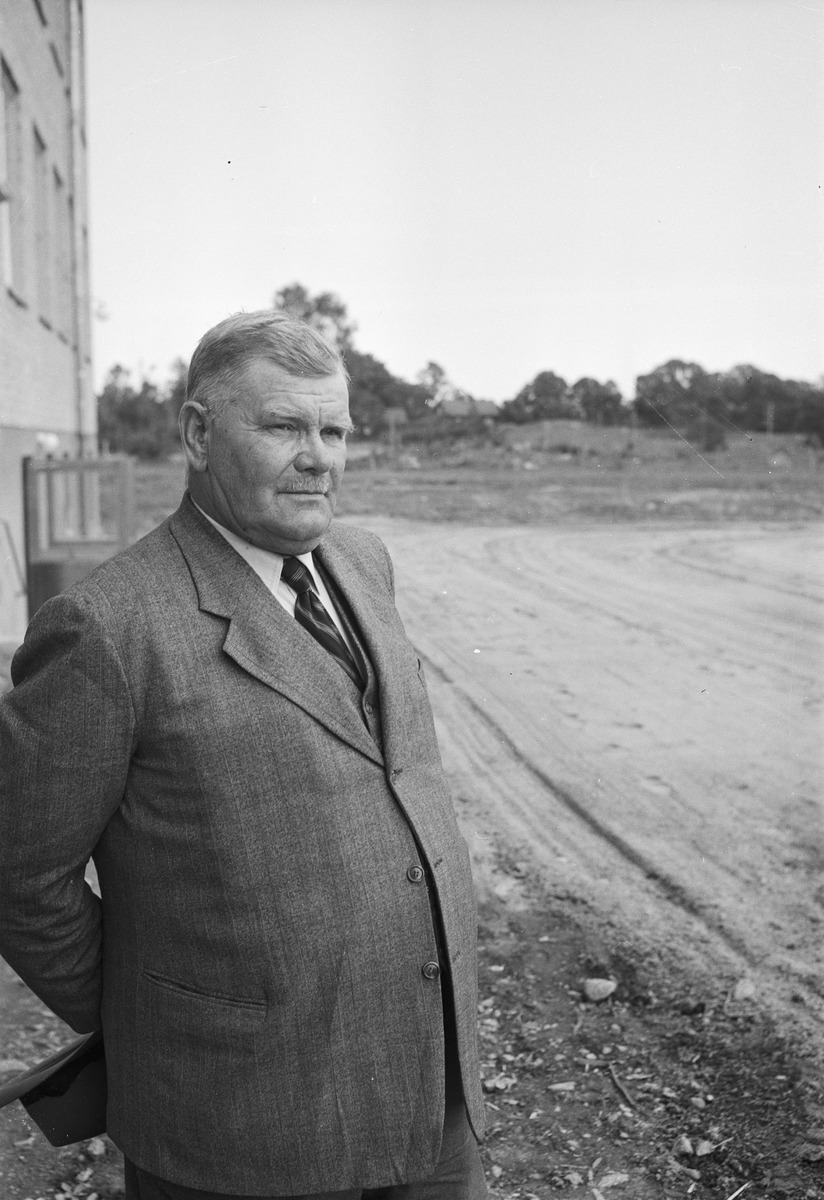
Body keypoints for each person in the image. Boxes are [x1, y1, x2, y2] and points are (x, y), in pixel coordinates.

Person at [0, 311, 487, 1200]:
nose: (320, 457)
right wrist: (151, 1018)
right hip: (237, 1126)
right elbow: (18, 873)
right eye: (283, 427)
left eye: (333, 430)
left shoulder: (363, 561)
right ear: (197, 433)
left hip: (429, 1094)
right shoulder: (105, 628)